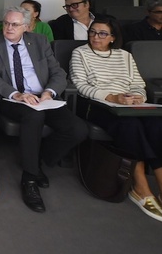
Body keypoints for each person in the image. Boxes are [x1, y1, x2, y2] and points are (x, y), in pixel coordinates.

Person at [0, 7, 87, 213]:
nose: (9, 28)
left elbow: (58, 72)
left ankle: (36, 160)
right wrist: (17, 94)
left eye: (15, 24)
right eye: (6, 23)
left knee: (78, 129)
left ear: (27, 27)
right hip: (12, 99)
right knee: (34, 115)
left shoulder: (39, 42)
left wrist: (48, 92)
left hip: (43, 97)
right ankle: (29, 179)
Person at [69, 17, 162, 221]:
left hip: (129, 103)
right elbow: (80, 85)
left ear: (112, 37)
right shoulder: (81, 53)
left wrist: (138, 97)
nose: (95, 36)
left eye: (102, 33)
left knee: (157, 125)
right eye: (92, 32)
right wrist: (112, 97)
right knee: (130, 126)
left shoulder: (125, 56)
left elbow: (138, 83)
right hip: (99, 103)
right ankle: (140, 187)